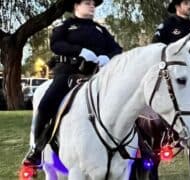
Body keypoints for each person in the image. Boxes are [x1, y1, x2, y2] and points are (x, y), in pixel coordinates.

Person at [22, 0, 122, 167]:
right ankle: (37, 150)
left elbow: (117, 49)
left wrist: (108, 57)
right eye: (88, 3)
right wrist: (79, 51)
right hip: (69, 73)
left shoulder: (101, 30)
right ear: (76, 5)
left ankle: (137, 147)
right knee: (46, 105)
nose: (92, 6)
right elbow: (56, 44)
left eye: (93, 4)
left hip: (97, 75)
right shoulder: (66, 25)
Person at [152, 0, 190, 70]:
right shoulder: (167, 24)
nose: (189, 7)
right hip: (172, 68)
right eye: (186, 4)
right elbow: (155, 45)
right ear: (177, 7)